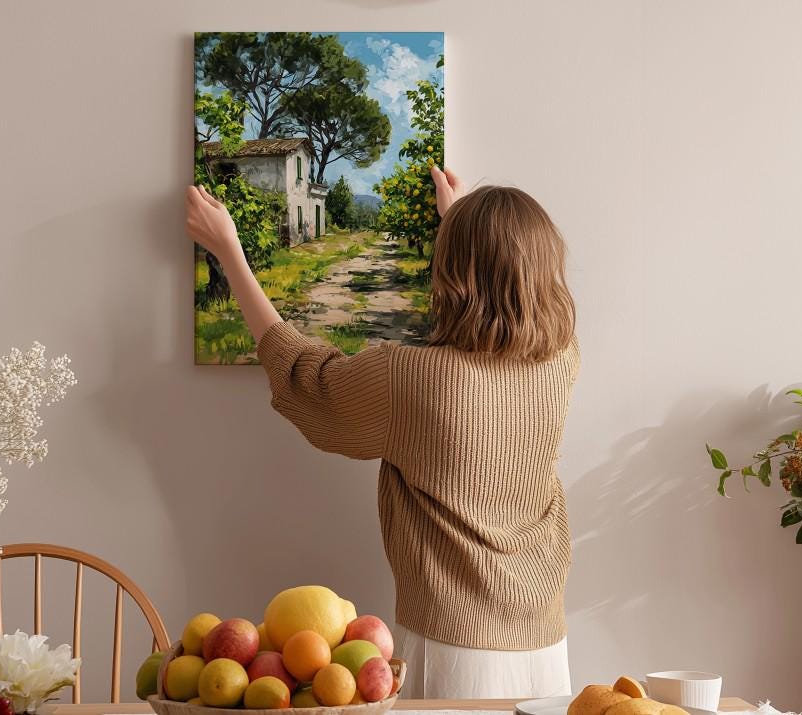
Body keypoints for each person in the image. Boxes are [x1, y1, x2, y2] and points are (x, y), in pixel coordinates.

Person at [185, 167, 579, 699]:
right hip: (546, 643)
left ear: (451, 270)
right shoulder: (562, 360)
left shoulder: (409, 377)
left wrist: (229, 251)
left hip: (453, 646)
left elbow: (306, 377)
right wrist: (460, 224)